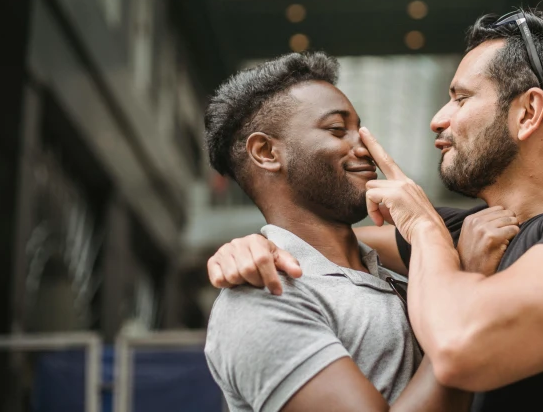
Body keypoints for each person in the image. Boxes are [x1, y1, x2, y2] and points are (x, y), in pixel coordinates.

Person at [207, 9, 543, 411]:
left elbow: (461, 345)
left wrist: (425, 228)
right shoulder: (461, 233)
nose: (438, 118)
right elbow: (332, 245)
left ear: (528, 113)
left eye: (460, 98)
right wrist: (249, 247)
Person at [202, 52, 472, 412]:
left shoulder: (392, 271)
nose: (367, 148)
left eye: (359, 129)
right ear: (266, 152)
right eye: (335, 129)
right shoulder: (263, 298)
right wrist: (469, 311)